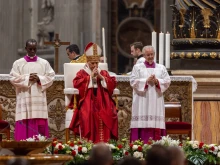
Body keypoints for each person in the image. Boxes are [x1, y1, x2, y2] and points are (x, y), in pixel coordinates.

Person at [69, 42, 118, 143]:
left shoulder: (103, 72)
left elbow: (113, 83)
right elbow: (77, 84)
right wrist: (90, 77)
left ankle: (106, 143)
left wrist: (102, 78)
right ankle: (88, 144)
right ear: (87, 61)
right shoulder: (82, 73)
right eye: (92, 63)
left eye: (97, 63)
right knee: (88, 113)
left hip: (103, 102)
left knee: (109, 112)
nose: (95, 65)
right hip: (87, 101)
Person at [10, 39, 55, 141]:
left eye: (34, 49)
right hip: (24, 97)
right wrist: (27, 78)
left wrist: (39, 78)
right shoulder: (18, 63)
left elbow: (51, 77)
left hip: (38, 99)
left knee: (39, 123)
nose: (32, 51)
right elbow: (12, 78)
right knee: (24, 121)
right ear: (26, 48)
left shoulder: (44, 63)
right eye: (30, 49)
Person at [130, 45, 171, 143]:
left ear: (154, 54)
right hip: (142, 100)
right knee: (141, 119)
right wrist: (146, 81)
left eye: (152, 54)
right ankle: (139, 145)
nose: (150, 56)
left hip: (156, 99)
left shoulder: (161, 68)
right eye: (148, 55)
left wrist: (157, 81)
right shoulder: (137, 67)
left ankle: (158, 144)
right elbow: (132, 81)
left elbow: (167, 81)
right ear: (144, 55)